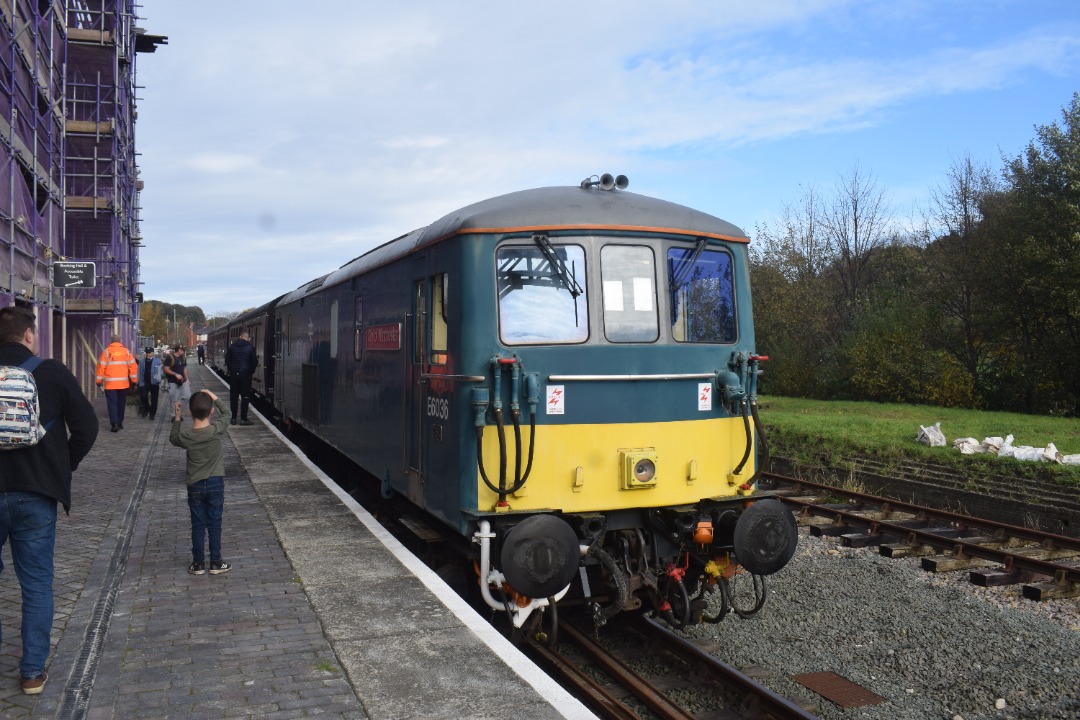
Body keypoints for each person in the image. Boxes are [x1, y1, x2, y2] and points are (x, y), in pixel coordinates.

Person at [0, 306, 98, 695]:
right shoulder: (52, 372)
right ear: (28, 335)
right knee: (37, 583)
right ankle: (32, 673)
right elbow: (88, 428)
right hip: (36, 493)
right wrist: (62, 467)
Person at [169, 390, 232, 576]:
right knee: (215, 523)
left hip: (195, 485)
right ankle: (215, 562)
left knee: (197, 524)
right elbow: (228, 413)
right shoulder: (216, 430)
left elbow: (173, 438)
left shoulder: (187, 436)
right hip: (215, 483)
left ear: (190, 412)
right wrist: (213, 396)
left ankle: (197, 564)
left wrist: (177, 418)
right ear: (212, 412)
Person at [95, 334, 138, 432]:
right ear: (120, 341)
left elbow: (100, 367)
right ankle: (120, 422)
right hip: (123, 384)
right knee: (121, 403)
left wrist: (98, 381)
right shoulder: (126, 352)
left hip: (110, 385)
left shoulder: (106, 352)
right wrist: (134, 381)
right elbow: (133, 367)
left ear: (111, 341)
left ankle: (114, 424)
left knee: (112, 403)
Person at [224, 331, 257, 426]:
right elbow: (254, 362)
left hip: (234, 374)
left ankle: (233, 418)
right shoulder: (250, 348)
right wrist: (250, 372)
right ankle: (243, 418)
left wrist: (231, 370)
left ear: (240, 337)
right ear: (248, 338)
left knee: (233, 397)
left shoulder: (232, 347)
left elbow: (227, 360)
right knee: (245, 397)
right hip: (245, 375)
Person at [136, 347, 163, 420]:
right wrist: (138, 381)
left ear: (153, 353)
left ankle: (152, 414)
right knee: (143, 397)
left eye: (149, 353)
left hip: (154, 383)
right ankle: (147, 408)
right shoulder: (142, 361)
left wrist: (160, 381)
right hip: (144, 383)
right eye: (147, 353)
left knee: (154, 399)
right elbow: (139, 372)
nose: (148, 354)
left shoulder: (158, 361)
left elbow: (161, 372)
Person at [162, 344, 191, 410]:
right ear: (179, 350)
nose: (183, 352)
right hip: (173, 382)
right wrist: (175, 374)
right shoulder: (170, 358)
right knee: (173, 399)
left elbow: (184, 368)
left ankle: (178, 410)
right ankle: (174, 416)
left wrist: (187, 379)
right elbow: (166, 369)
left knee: (187, 396)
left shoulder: (182, 358)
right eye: (182, 350)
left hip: (183, 381)